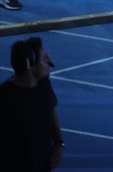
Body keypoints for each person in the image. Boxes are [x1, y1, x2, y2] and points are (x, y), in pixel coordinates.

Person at [0, 37, 64, 171]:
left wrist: (59, 143)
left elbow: (51, 108)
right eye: (45, 59)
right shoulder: (6, 99)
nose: (50, 63)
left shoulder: (44, 83)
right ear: (30, 65)